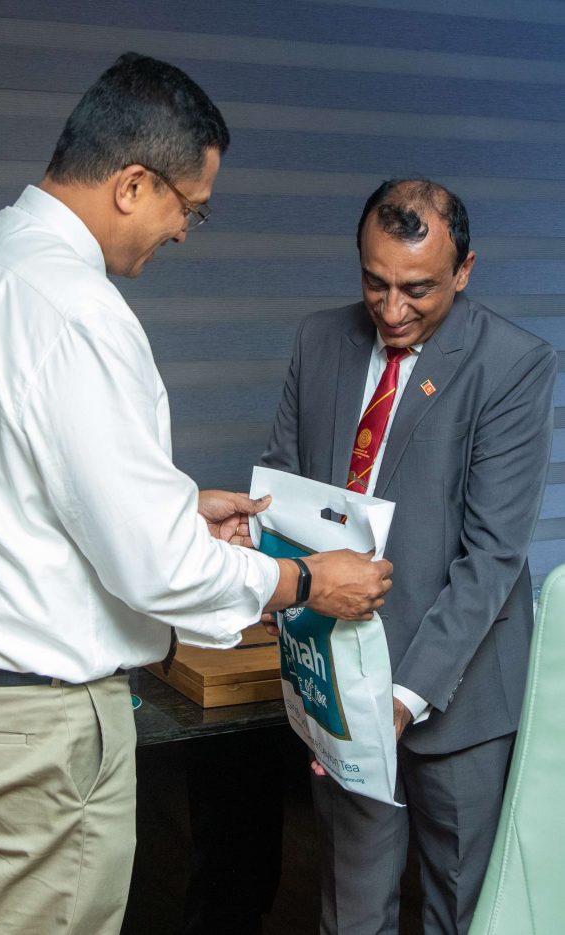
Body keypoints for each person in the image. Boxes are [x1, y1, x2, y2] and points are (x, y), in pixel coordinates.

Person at [0, 53, 392, 935]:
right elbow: (156, 568)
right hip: (33, 728)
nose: (185, 231)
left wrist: (177, 506)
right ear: (131, 185)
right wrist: (307, 581)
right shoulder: (77, 308)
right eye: (189, 206)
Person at [261, 178, 557, 935]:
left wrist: (397, 699)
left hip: (458, 700)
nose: (391, 310)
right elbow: (286, 499)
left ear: (464, 270)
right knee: (352, 913)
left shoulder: (514, 364)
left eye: (418, 289)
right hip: (341, 684)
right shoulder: (318, 340)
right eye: (375, 282)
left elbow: (492, 555)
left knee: (462, 913)